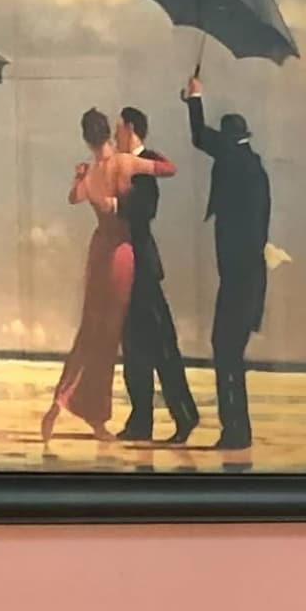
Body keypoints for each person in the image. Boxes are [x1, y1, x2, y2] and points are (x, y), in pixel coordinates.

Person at [181, 75, 274, 454]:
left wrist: (195, 98)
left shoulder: (237, 162)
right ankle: (237, 431)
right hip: (245, 278)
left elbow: (202, 138)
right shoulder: (253, 168)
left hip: (239, 279)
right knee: (229, 352)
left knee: (225, 350)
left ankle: (236, 431)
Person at [41, 107, 139, 440]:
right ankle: (96, 418)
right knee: (107, 338)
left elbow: (74, 197)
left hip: (99, 252)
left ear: (86, 138)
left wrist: (81, 176)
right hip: (120, 253)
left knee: (89, 331)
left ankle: (61, 400)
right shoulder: (121, 165)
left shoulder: (93, 171)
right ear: (109, 133)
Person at [110, 105, 195, 445]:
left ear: (130, 128)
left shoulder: (147, 163)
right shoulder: (121, 164)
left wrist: (118, 201)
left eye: (118, 129)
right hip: (126, 266)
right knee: (132, 347)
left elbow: (145, 211)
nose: (115, 135)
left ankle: (184, 415)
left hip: (142, 266)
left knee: (161, 344)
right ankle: (140, 420)